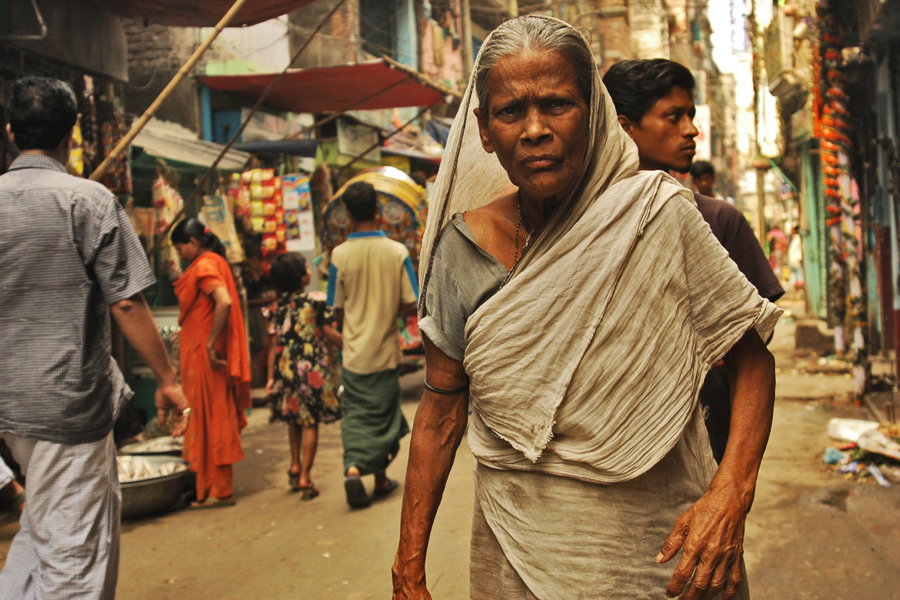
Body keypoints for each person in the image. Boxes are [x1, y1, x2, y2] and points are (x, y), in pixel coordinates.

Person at [393, 17, 780, 600]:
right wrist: (408, 566)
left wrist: (732, 492)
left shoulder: (657, 216)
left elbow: (752, 362)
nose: (535, 130)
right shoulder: (463, 248)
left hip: (661, 559)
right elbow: (442, 407)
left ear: (594, 113)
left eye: (557, 104)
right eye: (510, 111)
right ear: (484, 130)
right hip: (516, 554)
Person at [0, 76, 188, 600]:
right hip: (66, 405)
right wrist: (168, 379)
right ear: (71, 133)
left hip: (9, 406)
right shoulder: (88, 201)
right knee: (74, 560)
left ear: (12, 131)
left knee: (43, 527)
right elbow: (126, 302)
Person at [604, 58, 784, 463]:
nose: (691, 130)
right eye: (673, 117)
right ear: (624, 126)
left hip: (706, 431)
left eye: (691, 115)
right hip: (615, 438)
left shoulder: (720, 219)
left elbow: (756, 336)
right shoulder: (587, 223)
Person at [326, 181, 418, 509]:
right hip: (386, 351)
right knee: (386, 414)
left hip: (353, 354)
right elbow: (412, 302)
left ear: (348, 214)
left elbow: (334, 307)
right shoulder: (397, 252)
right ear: (378, 211)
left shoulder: (339, 255)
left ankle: (360, 472)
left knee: (356, 416)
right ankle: (375, 475)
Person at [171, 218, 251, 509]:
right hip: (202, 354)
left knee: (211, 417)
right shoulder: (214, 261)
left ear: (193, 243)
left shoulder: (204, 265)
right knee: (210, 415)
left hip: (206, 357)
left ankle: (218, 488)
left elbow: (223, 301)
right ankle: (209, 488)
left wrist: (208, 341)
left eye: (180, 248)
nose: (179, 254)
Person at [262, 252, 343, 499]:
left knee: (293, 420)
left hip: (285, 371)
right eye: (306, 269)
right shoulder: (316, 301)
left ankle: (295, 465)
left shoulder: (275, 308)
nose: (310, 271)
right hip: (311, 371)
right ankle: (306, 476)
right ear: (301, 277)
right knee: (310, 423)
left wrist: (269, 378)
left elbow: (273, 346)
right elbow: (328, 333)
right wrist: (351, 345)